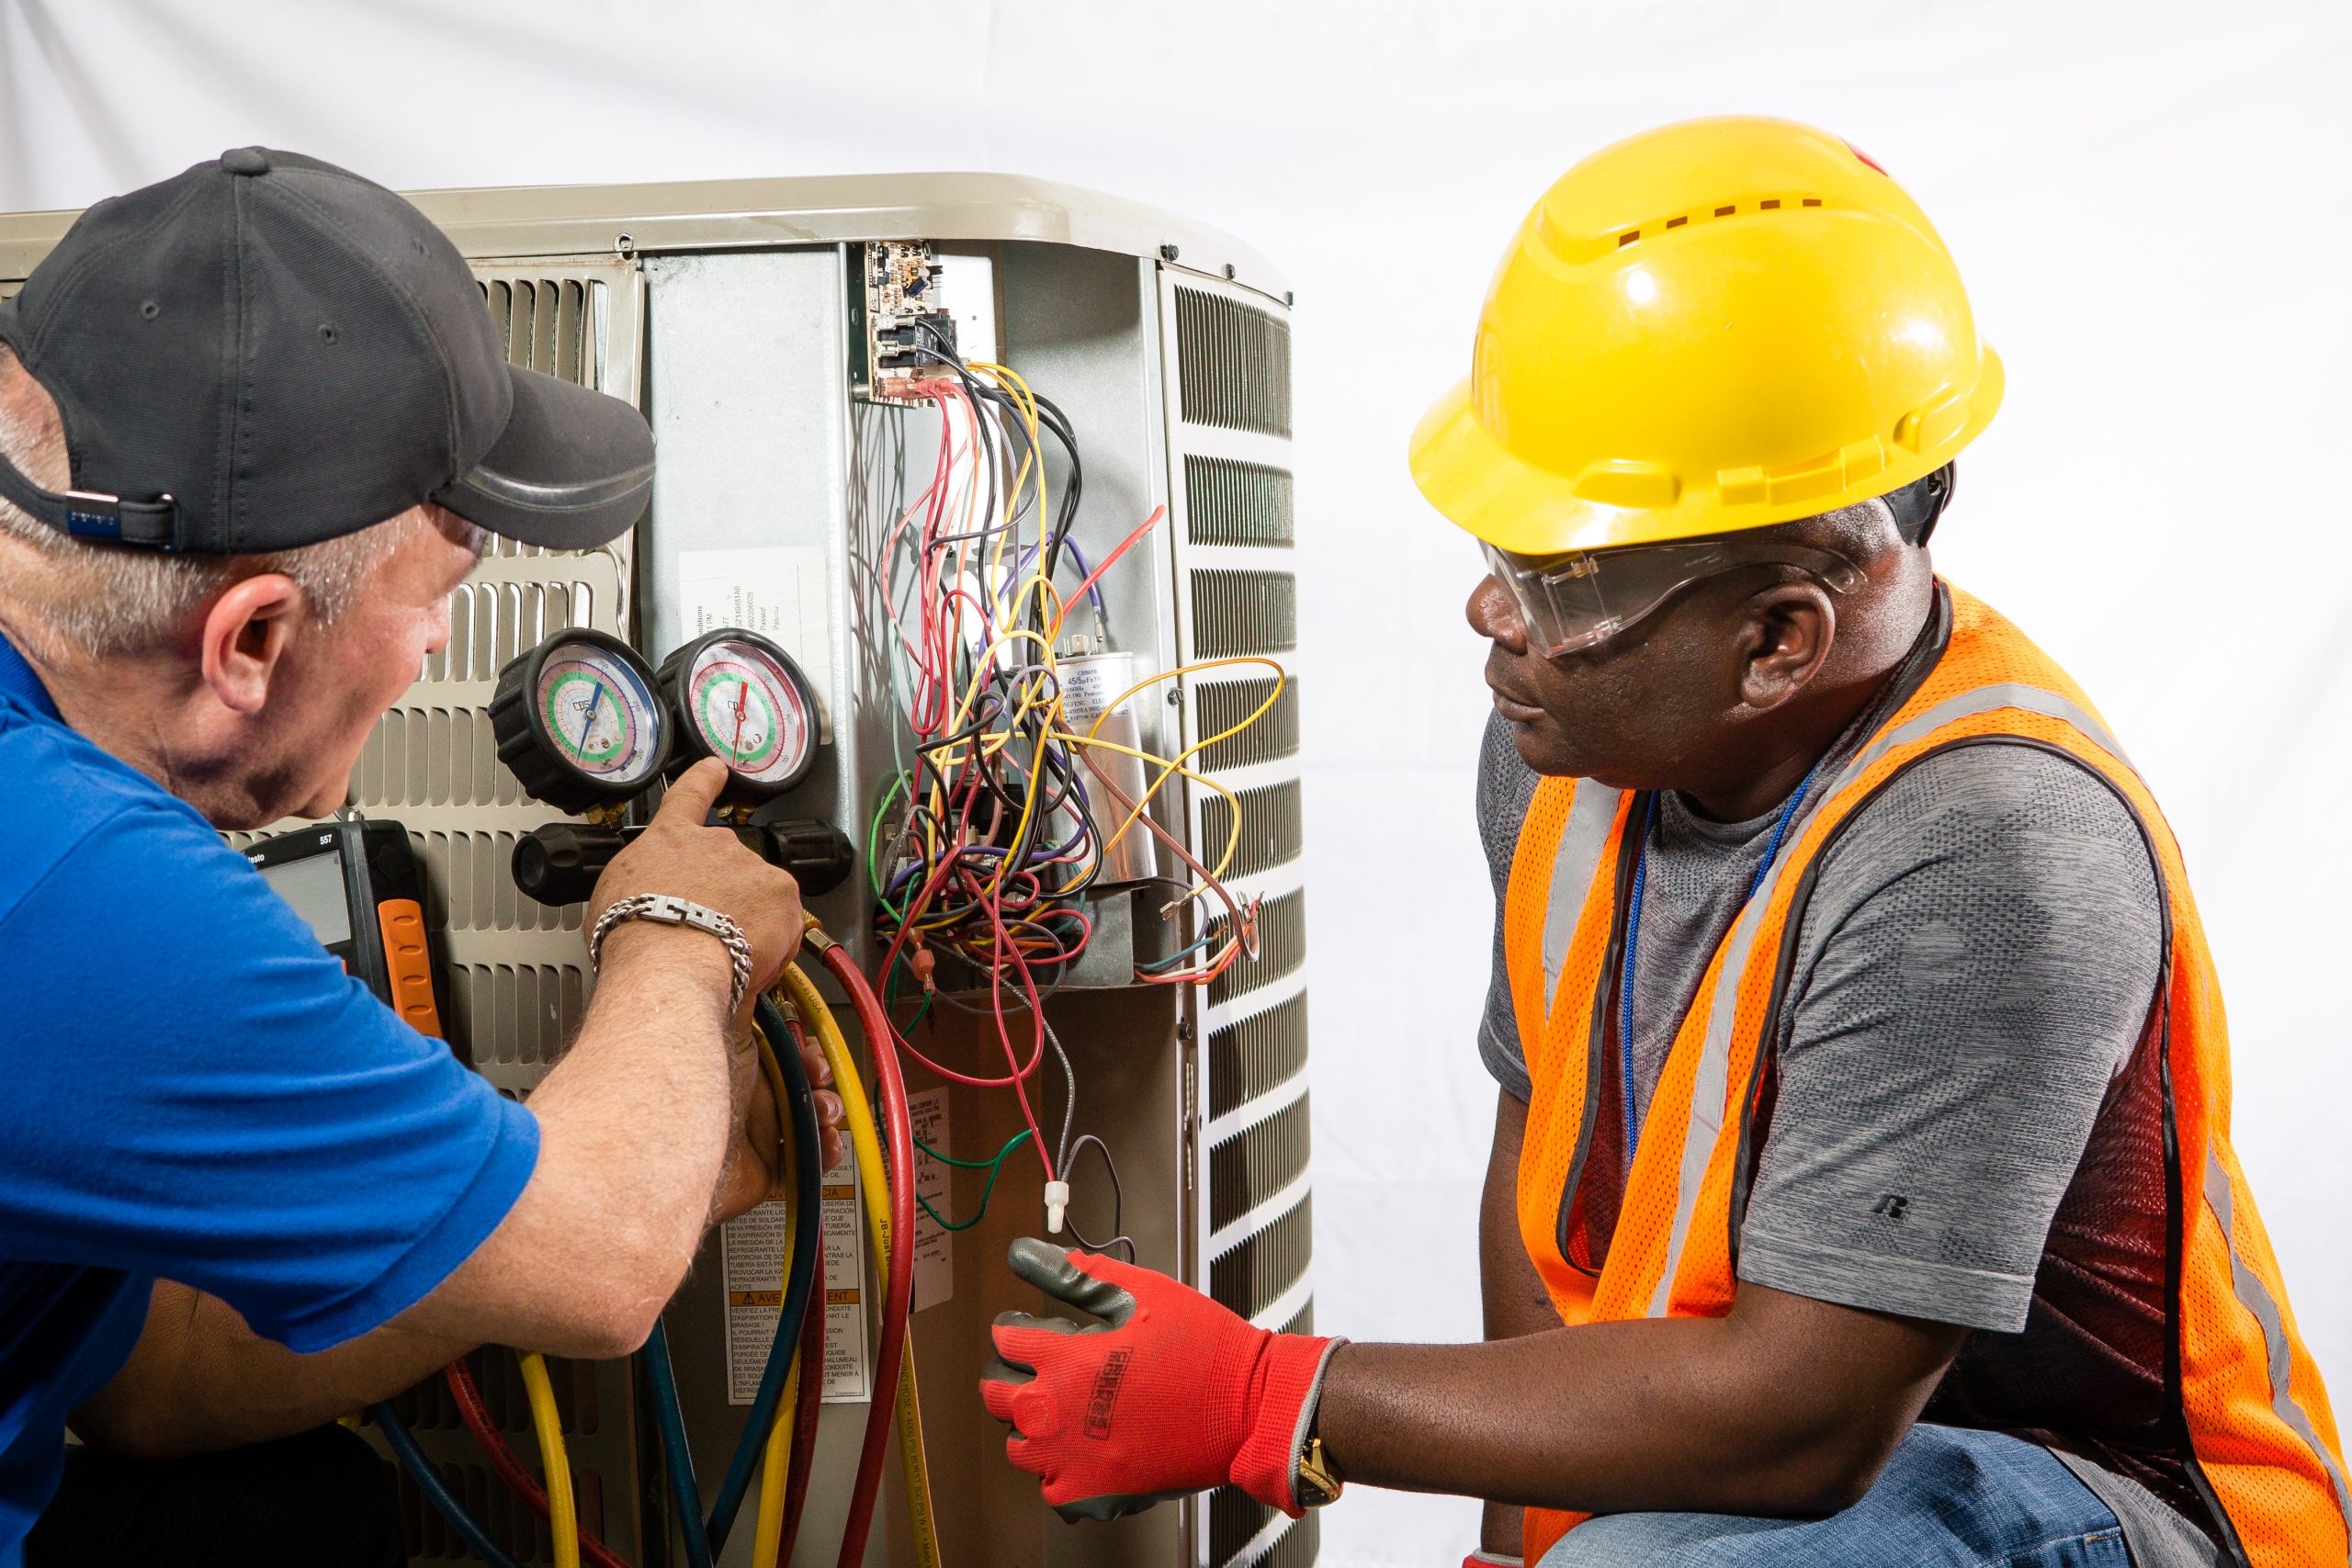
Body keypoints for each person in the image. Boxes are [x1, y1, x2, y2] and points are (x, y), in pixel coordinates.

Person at [979, 118, 2348, 1568]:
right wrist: (1513, 1549)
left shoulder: (1988, 852)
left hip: (2095, 1501)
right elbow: (1544, 1174)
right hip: (1771, 1462)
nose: (1491, 621)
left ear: (1776, 640)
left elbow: (1805, 1423)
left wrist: (1270, 1394)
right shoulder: (1574, 744)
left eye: (1553, 577)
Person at [0, 149, 840, 1567]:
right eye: (441, 597)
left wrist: (656, 1161)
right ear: (253, 641)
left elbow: (150, 1377)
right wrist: (677, 932)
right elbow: (607, 1271)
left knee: (293, 1516)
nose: (443, 651)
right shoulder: (77, 887)